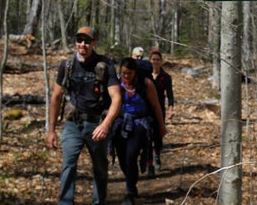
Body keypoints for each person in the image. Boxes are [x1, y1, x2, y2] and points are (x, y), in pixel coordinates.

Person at [47, 26, 122, 205]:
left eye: (87, 41)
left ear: (94, 43)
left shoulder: (105, 65)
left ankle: (99, 201)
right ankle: (65, 202)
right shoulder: (68, 65)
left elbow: (117, 98)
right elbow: (56, 97)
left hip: (97, 124)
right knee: (69, 164)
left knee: (100, 168)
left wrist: (106, 125)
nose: (83, 44)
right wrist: (51, 130)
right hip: (74, 123)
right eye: (79, 40)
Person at [112, 57, 167, 205]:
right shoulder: (117, 83)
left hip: (140, 123)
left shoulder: (146, 84)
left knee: (131, 154)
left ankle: (129, 191)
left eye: (129, 73)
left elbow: (156, 106)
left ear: (135, 72)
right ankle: (132, 180)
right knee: (122, 157)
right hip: (121, 122)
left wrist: (161, 126)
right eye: (123, 73)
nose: (126, 76)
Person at [147, 49, 174, 177]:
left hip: (159, 110)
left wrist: (171, 109)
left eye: (158, 59)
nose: (156, 62)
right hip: (146, 110)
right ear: (150, 61)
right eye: (153, 59)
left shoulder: (166, 77)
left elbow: (170, 94)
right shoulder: (145, 76)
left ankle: (156, 155)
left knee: (158, 136)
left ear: (161, 61)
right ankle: (149, 164)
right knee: (146, 136)